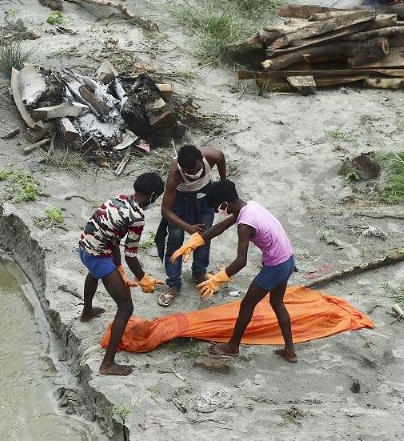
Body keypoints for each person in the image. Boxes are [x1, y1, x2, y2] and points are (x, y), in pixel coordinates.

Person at [172, 180, 297, 363]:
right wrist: (195, 242)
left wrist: (217, 279)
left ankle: (232, 346)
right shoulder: (248, 207)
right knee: (277, 302)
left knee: (247, 305)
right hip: (288, 259)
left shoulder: (245, 224)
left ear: (225, 203)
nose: (218, 212)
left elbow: (241, 261)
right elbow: (220, 227)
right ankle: (290, 350)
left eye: (217, 208)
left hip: (275, 266)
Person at [78, 172, 166, 376]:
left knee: (94, 273)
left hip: (84, 247)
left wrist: (118, 269)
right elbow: (131, 255)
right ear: (152, 196)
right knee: (126, 307)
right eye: (157, 197)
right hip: (98, 256)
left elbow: (113, 238)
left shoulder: (119, 199)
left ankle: (87, 312)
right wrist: (144, 278)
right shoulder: (137, 217)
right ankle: (107, 364)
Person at [157, 145, 227, 308]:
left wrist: (223, 183)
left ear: (201, 161)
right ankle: (174, 283)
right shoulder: (175, 176)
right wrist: (187, 227)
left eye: (196, 168)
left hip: (205, 194)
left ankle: (200, 273)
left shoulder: (211, 156)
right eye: (189, 172)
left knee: (205, 236)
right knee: (175, 240)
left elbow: (222, 157)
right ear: (182, 168)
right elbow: (165, 210)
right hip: (180, 200)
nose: (194, 174)